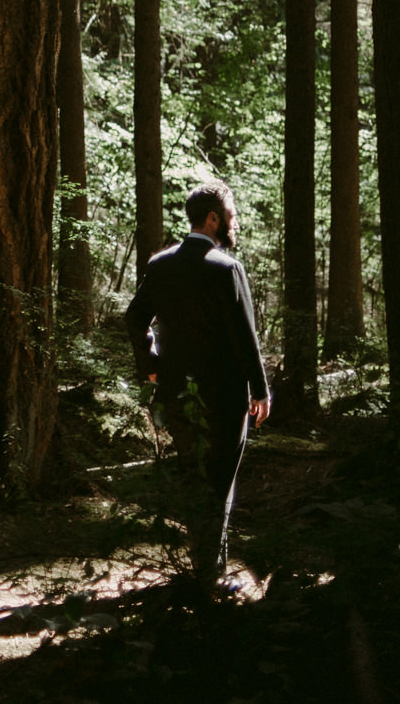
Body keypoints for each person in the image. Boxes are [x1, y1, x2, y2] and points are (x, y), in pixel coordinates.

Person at [123, 177, 271, 587]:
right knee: (220, 482)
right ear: (212, 219)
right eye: (230, 216)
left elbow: (134, 317)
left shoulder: (160, 264)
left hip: (175, 394)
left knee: (194, 477)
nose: (234, 223)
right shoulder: (227, 269)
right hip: (223, 398)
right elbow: (246, 337)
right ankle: (210, 577)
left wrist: (151, 362)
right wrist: (260, 391)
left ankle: (200, 569)